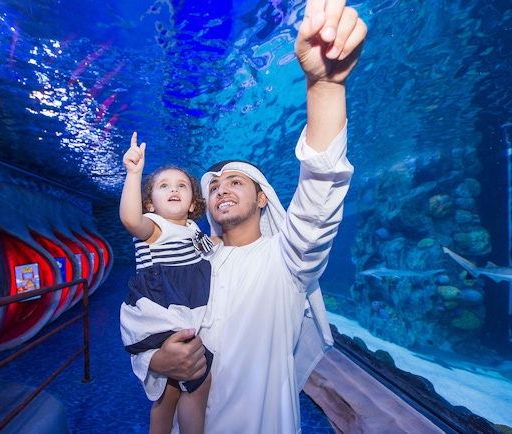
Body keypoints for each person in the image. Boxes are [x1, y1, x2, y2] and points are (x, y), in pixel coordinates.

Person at [132, 0, 367, 431]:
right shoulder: (192, 259)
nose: (221, 188)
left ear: (263, 199)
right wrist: (157, 358)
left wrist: (325, 88)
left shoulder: (288, 260)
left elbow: (320, 191)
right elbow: (147, 311)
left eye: (236, 182)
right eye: (215, 185)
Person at [119, 132, 216, 434]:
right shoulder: (153, 228)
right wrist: (134, 174)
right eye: (164, 186)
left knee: (170, 392)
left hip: (180, 309)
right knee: (200, 379)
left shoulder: (192, 230)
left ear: (191, 203)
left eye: (181, 186)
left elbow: (214, 251)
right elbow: (130, 220)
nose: (173, 189)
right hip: (161, 309)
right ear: (150, 203)